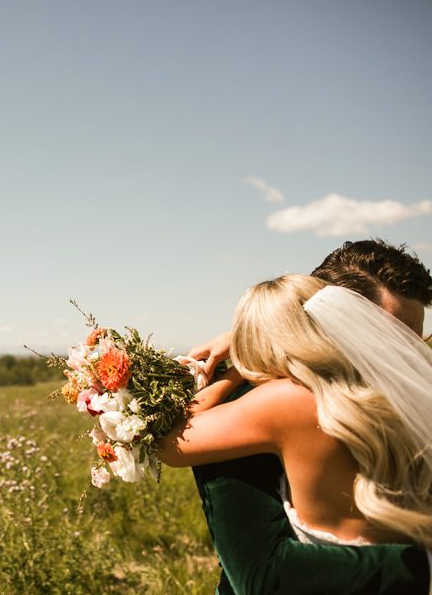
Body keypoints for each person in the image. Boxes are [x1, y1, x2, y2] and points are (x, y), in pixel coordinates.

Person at [184, 240, 432, 594]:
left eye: (415, 345)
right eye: (387, 341)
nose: (401, 364)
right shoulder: (261, 405)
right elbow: (265, 576)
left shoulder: (414, 404)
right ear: (326, 322)